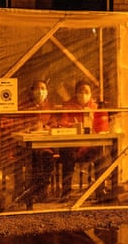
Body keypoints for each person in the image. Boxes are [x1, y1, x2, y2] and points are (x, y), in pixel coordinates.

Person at [59, 80, 110, 200]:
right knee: (67, 154)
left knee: (102, 155)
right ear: (75, 93)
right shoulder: (68, 106)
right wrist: (73, 126)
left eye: (86, 91)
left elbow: (103, 127)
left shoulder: (96, 108)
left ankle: (100, 191)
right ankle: (66, 192)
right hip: (73, 147)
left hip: (89, 148)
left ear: (91, 93)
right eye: (80, 91)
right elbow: (63, 123)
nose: (83, 94)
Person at [19, 79, 58, 207]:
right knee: (34, 159)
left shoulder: (50, 106)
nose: (40, 92)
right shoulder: (25, 106)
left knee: (46, 158)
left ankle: (43, 191)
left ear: (47, 91)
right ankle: (33, 192)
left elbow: (55, 123)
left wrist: (47, 127)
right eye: (37, 89)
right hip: (27, 145)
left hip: (45, 144)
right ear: (31, 91)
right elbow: (19, 124)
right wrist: (30, 127)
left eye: (43, 89)